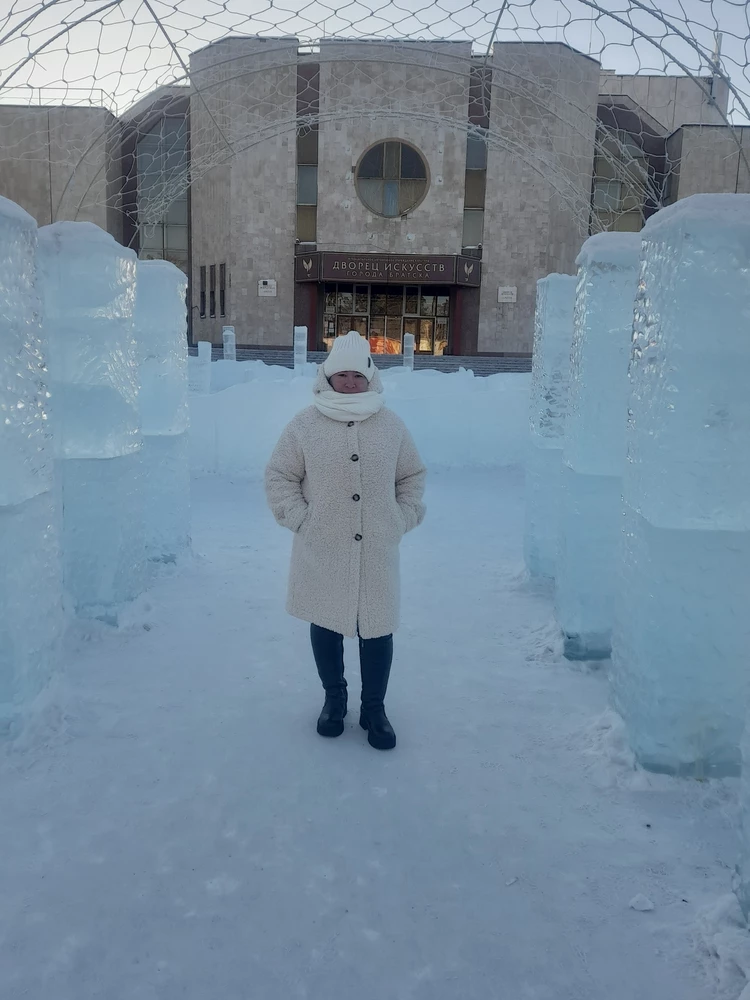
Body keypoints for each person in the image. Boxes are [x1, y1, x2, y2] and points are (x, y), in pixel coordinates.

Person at [265, 331, 426, 750]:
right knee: (327, 622)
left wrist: (401, 517)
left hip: (377, 546)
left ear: (370, 375)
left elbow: (411, 477)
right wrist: (302, 519)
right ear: (327, 376)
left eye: (358, 374)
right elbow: (280, 476)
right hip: (324, 546)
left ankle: (374, 708)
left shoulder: (390, 425)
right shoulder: (304, 425)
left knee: (377, 629)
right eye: (342, 374)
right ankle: (334, 700)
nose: (350, 381)